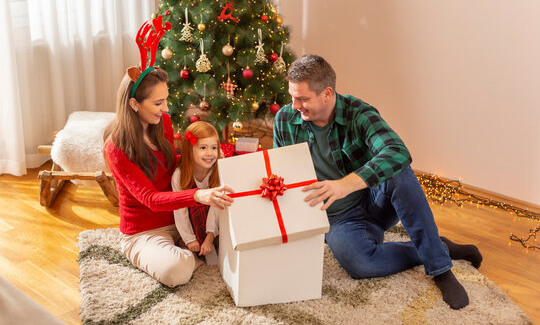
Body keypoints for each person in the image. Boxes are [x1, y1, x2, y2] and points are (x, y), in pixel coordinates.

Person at [273, 54, 482, 310]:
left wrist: (345, 184)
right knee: (360, 264)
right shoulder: (285, 120)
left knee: (398, 172)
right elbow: (281, 173)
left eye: (303, 98)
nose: (294, 105)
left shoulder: (359, 114)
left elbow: (398, 152)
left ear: (327, 93)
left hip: (374, 201)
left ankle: (439, 266)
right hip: (337, 219)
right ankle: (438, 246)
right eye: (292, 97)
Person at [104, 65, 233, 287]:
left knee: (232, 217)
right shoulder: (116, 148)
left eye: (165, 99)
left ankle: (190, 247)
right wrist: (198, 195)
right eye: (157, 103)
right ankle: (186, 255)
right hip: (146, 231)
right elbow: (151, 199)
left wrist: (204, 157)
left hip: (183, 217)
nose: (165, 108)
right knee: (176, 271)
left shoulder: (161, 122)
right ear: (134, 104)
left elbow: (172, 164)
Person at [172, 121, 222, 266]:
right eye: (203, 148)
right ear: (190, 150)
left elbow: (217, 206)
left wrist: (210, 237)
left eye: (214, 148)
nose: (210, 153)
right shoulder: (179, 175)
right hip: (194, 221)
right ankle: (190, 245)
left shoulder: (218, 170)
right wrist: (189, 239)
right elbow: (180, 210)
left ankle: (211, 244)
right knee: (185, 250)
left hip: (215, 220)